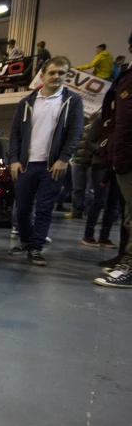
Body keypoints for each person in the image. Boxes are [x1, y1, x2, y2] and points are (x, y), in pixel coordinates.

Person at [8, 57, 84, 265]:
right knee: (22, 208)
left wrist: (63, 159)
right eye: (52, 73)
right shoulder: (27, 102)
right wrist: (14, 159)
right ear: (42, 75)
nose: (56, 77)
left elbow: (75, 133)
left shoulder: (72, 101)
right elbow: (15, 133)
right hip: (25, 165)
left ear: (66, 76)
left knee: (44, 208)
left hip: (52, 167)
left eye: (61, 73)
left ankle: (35, 248)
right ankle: (25, 240)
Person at [94, 32, 132, 288]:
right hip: (124, 157)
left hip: (128, 155)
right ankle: (126, 260)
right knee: (129, 215)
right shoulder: (126, 77)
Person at [82, 116, 119, 247]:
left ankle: (104, 237)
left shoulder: (125, 118)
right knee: (99, 200)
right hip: (101, 165)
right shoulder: (101, 119)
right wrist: (104, 152)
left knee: (113, 203)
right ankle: (88, 235)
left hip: (118, 166)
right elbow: (89, 143)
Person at [65, 112, 100, 219]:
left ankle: (88, 212)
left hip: (92, 164)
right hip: (78, 163)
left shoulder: (102, 132)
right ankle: (76, 211)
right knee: (77, 190)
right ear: (91, 121)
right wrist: (72, 159)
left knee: (90, 191)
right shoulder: (82, 130)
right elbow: (74, 144)